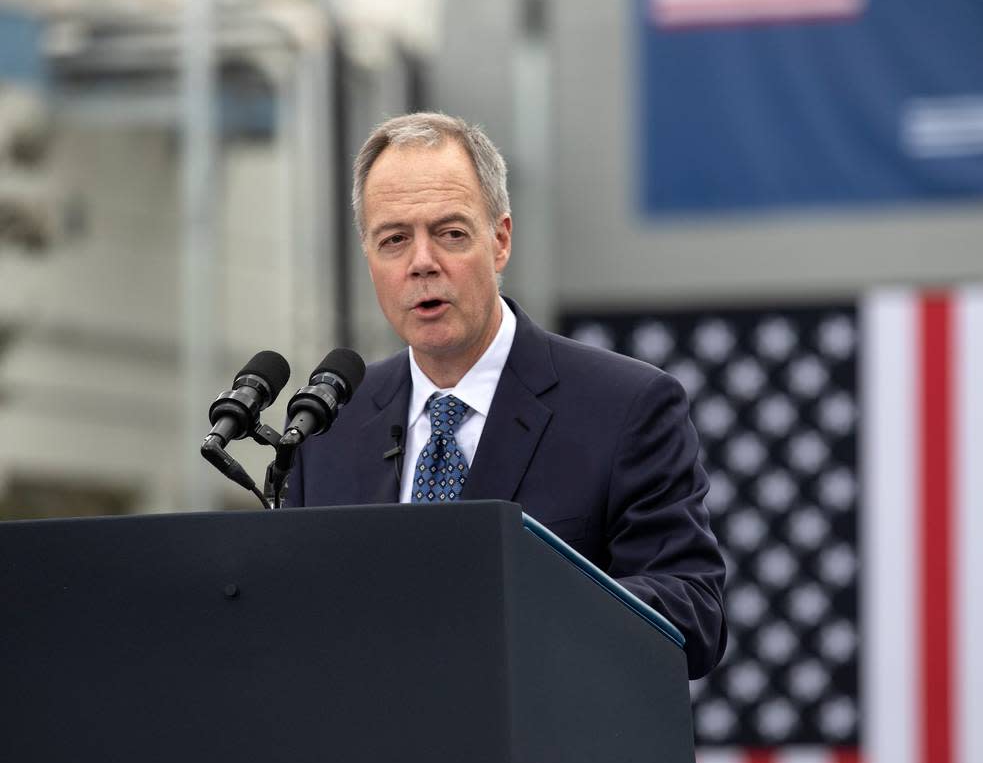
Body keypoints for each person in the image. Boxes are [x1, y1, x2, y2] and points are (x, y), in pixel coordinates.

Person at [285, 112, 726, 679]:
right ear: (369, 258)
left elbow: (693, 611)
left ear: (500, 241)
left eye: (450, 233)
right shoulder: (327, 426)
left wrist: (521, 607)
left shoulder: (627, 408)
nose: (422, 263)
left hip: (542, 755)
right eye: (394, 240)